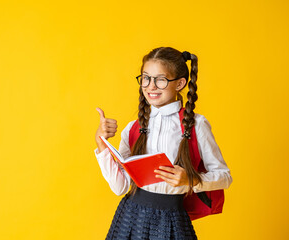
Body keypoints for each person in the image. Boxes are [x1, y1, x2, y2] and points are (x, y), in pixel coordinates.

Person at [94, 47, 233, 240]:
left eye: (160, 79)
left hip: (173, 221)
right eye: (146, 78)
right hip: (130, 219)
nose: (151, 86)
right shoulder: (133, 127)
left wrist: (191, 181)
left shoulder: (197, 125)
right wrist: (102, 144)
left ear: (180, 83)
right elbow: (120, 187)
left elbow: (225, 177)